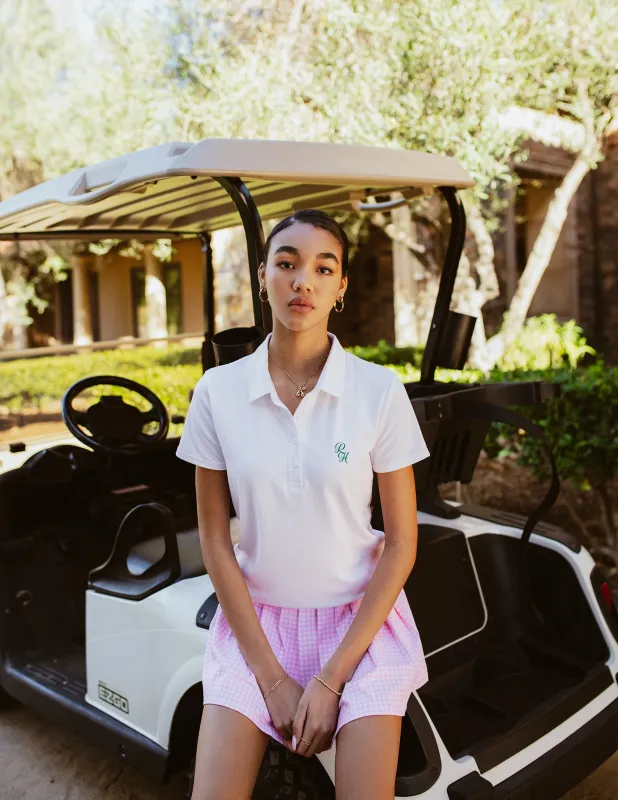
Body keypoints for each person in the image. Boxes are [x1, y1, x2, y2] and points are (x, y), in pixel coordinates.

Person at [176, 209, 430, 800]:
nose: (302, 282)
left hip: (360, 627)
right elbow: (215, 543)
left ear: (341, 288)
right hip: (255, 626)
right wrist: (272, 680)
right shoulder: (217, 392)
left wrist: (330, 679)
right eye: (287, 264)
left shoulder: (378, 390)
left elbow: (401, 543)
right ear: (262, 274)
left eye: (323, 268)